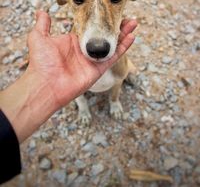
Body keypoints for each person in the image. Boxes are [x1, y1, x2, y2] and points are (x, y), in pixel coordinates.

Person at [0, 11, 137, 184]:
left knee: (124, 73)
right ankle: (83, 107)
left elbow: (118, 78)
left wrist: (115, 101)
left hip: (116, 69)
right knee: (81, 89)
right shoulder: (69, 58)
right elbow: (70, 86)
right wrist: (81, 107)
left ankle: (114, 100)